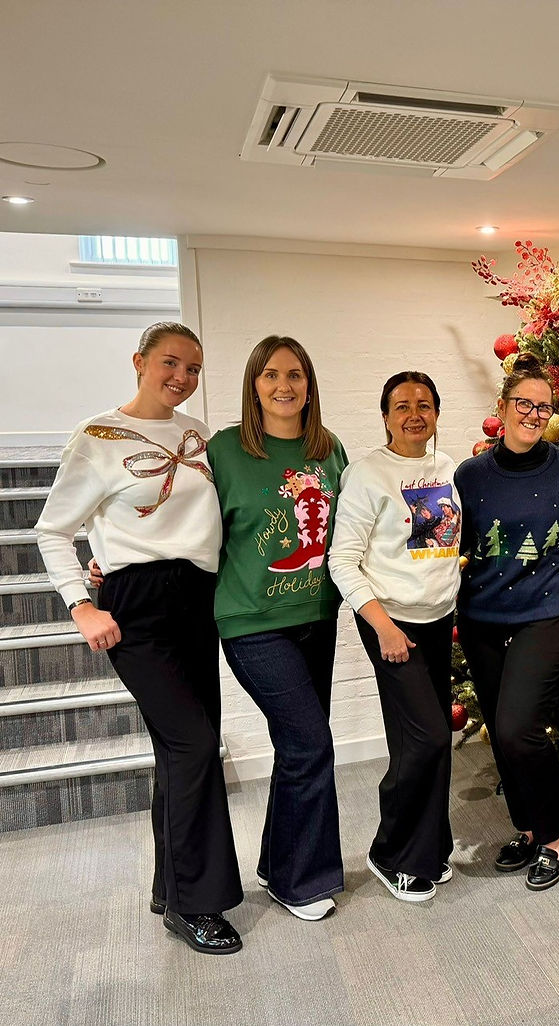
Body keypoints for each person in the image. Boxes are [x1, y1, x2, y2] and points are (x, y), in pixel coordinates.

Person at [35, 322, 243, 955]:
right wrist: (81, 604)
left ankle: (168, 884)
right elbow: (49, 530)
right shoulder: (97, 437)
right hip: (139, 608)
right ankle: (195, 903)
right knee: (197, 744)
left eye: (193, 369)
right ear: (140, 362)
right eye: (170, 364)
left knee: (180, 752)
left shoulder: (198, 436)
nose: (181, 378)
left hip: (198, 602)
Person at [208, 335, 348, 921]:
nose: (283, 386)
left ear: (310, 384)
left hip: (318, 616)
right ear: (253, 384)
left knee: (297, 746)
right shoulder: (224, 451)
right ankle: (301, 881)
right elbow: (179, 522)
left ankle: (275, 863)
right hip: (251, 623)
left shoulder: (329, 450)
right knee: (311, 744)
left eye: (295, 375)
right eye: (271, 375)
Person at [455, 353, 559, 892]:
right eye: (524, 404)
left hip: (550, 613)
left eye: (544, 407)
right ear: (503, 407)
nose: (534, 415)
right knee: (499, 729)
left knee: (519, 728)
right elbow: (449, 543)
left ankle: (554, 832)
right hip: (483, 617)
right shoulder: (469, 475)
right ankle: (531, 828)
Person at [329, 372, 459, 903]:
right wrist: (382, 625)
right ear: (384, 415)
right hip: (390, 621)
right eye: (401, 406)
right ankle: (391, 853)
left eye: (424, 405)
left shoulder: (449, 468)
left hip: (438, 618)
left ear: (435, 413)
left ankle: (430, 849)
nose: (413, 415)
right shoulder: (366, 474)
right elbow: (342, 559)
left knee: (426, 744)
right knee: (425, 738)